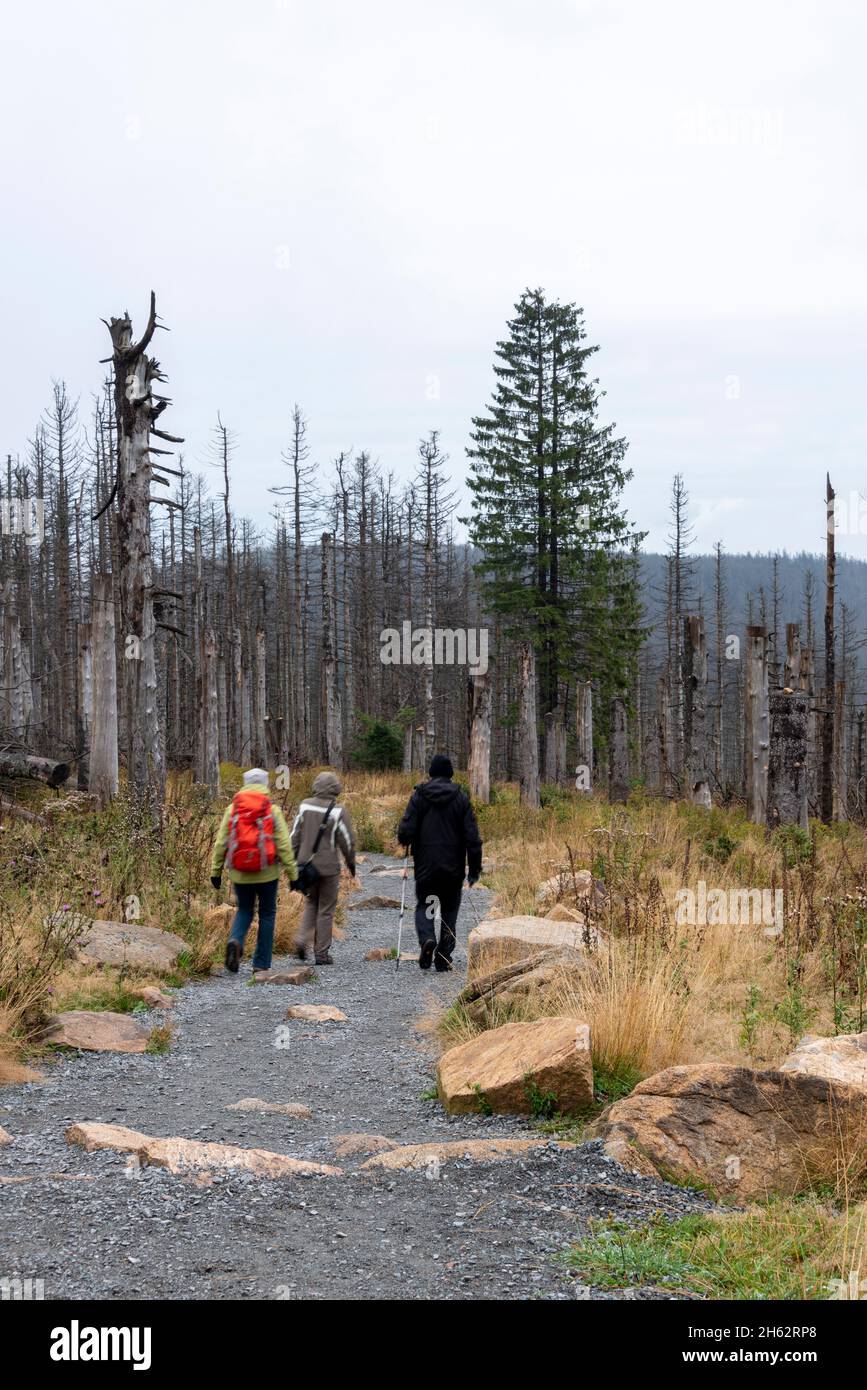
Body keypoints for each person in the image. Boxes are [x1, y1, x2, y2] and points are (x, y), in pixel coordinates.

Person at [397, 754, 482, 971]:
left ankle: (427, 938)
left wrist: (406, 839)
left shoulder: (420, 796)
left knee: (427, 904)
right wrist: (474, 870)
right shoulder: (460, 798)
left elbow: (405, 831)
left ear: (431, 772)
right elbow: (472, 838)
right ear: (450, 773)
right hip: (453, 869)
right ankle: (443, 956)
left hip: (426, 866)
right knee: (450, 911)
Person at [210, 767, 298, 976]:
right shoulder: (271, 810)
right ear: (265, 784)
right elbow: (284, 845)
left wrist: (216, 871)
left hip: (240, 872)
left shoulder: (233, 810)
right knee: (267, 914)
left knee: (244, 910)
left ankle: (235, 940)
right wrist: (293, 874)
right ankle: (261, 963)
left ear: (245, 783)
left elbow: (221, 842)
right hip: (268, 872)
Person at [290, 769, 356, 965]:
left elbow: (295, 835)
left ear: (316, 786)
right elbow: (347, 841)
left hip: (306, 866)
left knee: (311, 903)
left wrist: (292, 861)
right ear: (335, 789)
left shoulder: (304, 806)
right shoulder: (338, 811)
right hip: (328, 868)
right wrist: (351, 863)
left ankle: (301, 940)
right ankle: (321, 953)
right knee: (326, 909)